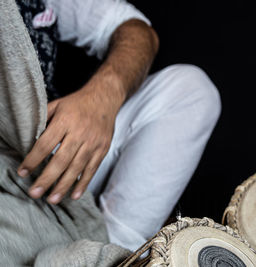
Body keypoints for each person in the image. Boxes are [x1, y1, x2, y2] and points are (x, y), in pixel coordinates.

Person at [14, 0, 221, 251]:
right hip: (12, 174)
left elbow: (136, 30)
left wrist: (101, 97)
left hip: (52, 153)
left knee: (191, 91)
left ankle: (111, 252)